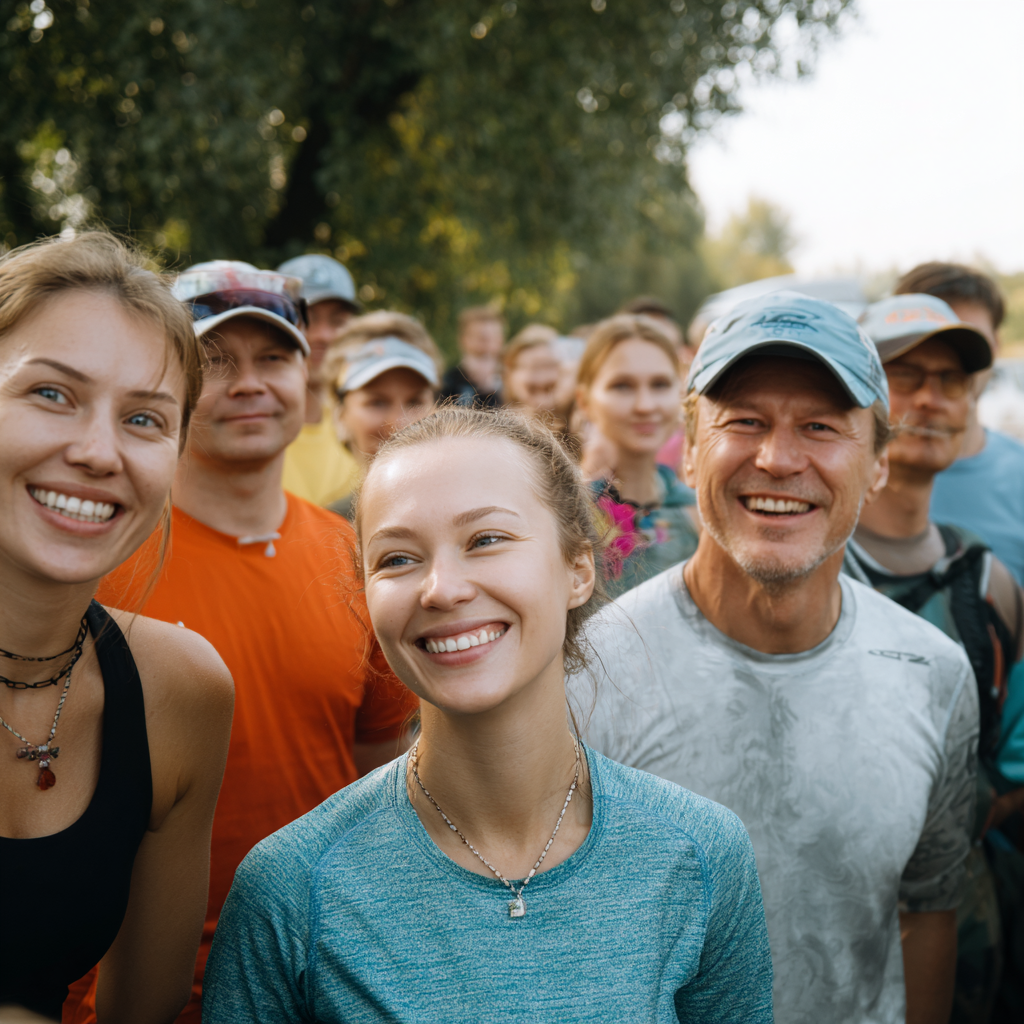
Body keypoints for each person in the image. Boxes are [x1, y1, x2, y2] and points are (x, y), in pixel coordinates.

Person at [203, 406, 774, 1023]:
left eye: (486, 540)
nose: (442, 588)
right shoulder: (290, 889)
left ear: (578, 568)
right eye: (397, 558)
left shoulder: (698, 851)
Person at [572, 292, 980, 1024]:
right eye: (745, 422)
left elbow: (927, 911)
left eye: (821, 427)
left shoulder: (936, 676)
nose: (778, 459)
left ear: (880, 462)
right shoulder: (589, 672)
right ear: (691, 452)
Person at [69, 262, 417, 1024]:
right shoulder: (92, 554)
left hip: (323, 981)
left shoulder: (362, 559)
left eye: (273, 357)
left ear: (308, 378)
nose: (248, 383)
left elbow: (381, 784)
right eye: (216, 362)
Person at [0, 233, 233, 1022]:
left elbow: (146, 1011)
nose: (99, 452)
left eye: (143, 418)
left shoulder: (179, 692)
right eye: (52, 395)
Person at [851, 293, 1024, 1024]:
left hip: (961, 923)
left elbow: (1012, 760)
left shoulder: (987, 580)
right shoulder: (807, 566)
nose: (931, 396)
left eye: (952, 379)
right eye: (905, 373)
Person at [894, 264, 1024, 585]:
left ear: (993, 348)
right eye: (926, 341)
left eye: (964, 344)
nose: (946, 359)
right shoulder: (843, 471)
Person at [575, 314, 698, 599]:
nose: (645, 405)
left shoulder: (700, 513)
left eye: (660, 385)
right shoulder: (562, 516)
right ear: (585, 400)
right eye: (622, 386)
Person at [320, 311, 442, 519]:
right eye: (377, 403)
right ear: (340, 417)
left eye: (415, 402)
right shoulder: (328, 531)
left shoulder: (477, 509)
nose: (399, 424)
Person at [276, 254, 363, 508]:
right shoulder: (246, 427)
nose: (323, 335)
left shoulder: (362, 428)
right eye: (306, 319)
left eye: (337, 322)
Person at [438, 305, 504, 407]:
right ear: (463, 339)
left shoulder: (512, 381)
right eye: (482, 337)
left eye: (493, 337)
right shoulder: (448, 382)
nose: (487, 345)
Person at [500, 323, 563, 424]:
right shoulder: (496, 430)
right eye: (534, 368)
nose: (542, 379)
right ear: (510, 374)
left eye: (549, 366)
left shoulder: (582, 428)